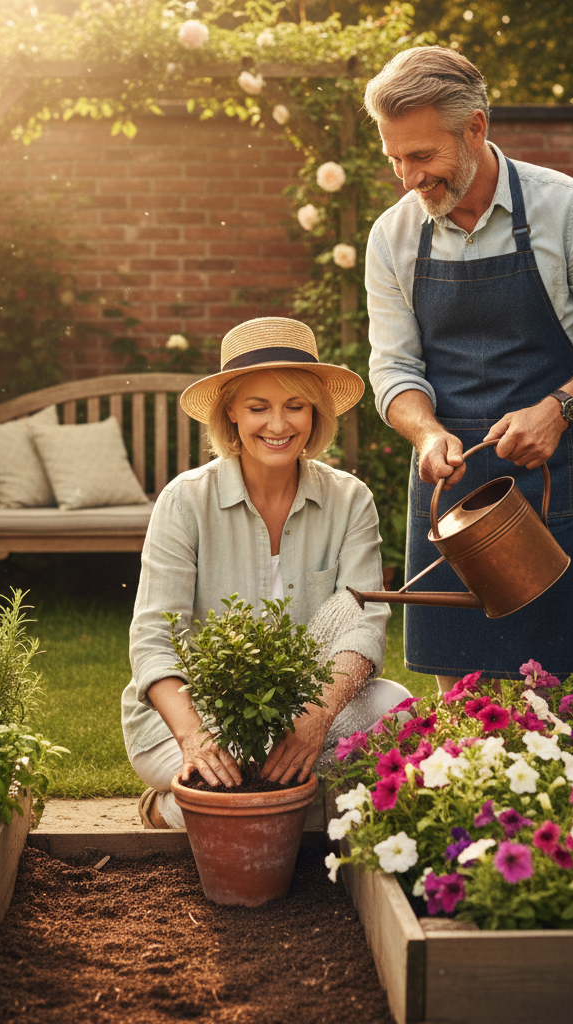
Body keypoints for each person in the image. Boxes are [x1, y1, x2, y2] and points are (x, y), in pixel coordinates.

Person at [362, 47, 573, 692]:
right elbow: (394, 367)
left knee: (564, 692)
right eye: (394, 158)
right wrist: (425, 434)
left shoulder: (568, 210)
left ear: (475, 128)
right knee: (462, 703)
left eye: (422, 156)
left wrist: (558, 411)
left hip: (551, 476)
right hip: (451, 486)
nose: (408, 178)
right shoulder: (392, 236)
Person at [121, 316, 412, 829]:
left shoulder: (350, 500)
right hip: (200, 716)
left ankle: (213, 807)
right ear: (231, 412)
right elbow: (153, 638)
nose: (278, 426)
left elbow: (364, 627)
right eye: (258, 408)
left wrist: (315, 719)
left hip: (308, 709)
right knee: (258, 785)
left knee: (399, 711)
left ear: (315, 411)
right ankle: (187, 805)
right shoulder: (185, 500)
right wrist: (195, 739)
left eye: (294, 406)